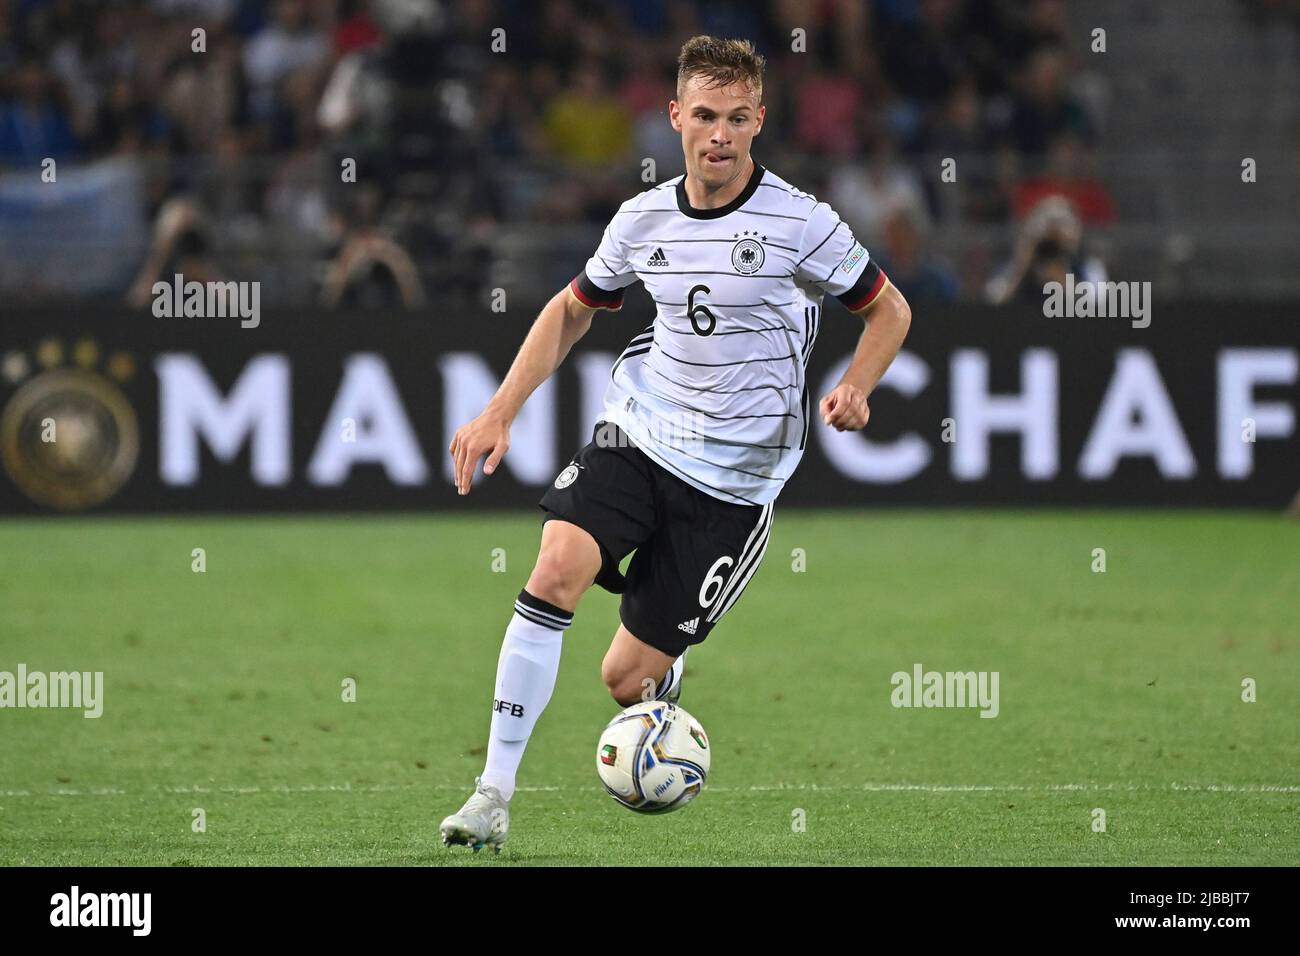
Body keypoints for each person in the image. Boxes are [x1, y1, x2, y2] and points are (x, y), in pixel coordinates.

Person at [439, 36, 912, 853]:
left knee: (625, 681)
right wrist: (498, 411)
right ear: (674, 119)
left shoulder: (803, 222)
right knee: (553, 569)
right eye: (703, 116)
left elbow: (889, 310)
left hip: (733, 487)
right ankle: (491, 796)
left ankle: (665, 675)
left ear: (759, 120)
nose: (719, 135)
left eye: (736, 118)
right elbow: (572, 308)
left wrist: (858, 386)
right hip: (641, 432)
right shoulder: (642, 218)